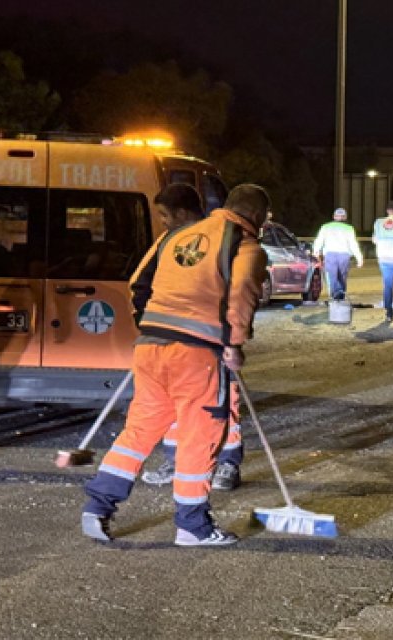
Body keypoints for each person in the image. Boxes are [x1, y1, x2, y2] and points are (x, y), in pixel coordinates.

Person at [82, 184, 269, 547]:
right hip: (198, 355)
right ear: (258, 217)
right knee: (200, 435)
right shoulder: (245, 246)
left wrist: (153, 326)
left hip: (151, 348)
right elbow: (243, 289)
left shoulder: (175, 236)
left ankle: (97, 506)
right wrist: (234, 343)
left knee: (139, 431)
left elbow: (138, 282)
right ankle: (192, 527)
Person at [140, 184, 246, 492]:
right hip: (186, 341)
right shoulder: (220, 237)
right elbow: (141, 284)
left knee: (224, 403)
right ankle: (184, 462)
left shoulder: (201, 239)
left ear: (183, 213)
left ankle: (225, 464)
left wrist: (232, 338)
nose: (163, 222)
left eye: (164, 215)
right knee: (186, 403)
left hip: (211, 341)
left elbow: (139, 285)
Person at [312, 207, 364, 300]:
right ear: (345, 217)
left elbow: (319, 240)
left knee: (332, 276)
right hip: (344, 255)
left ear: (334, 217)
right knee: (342, 277)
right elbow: (353, 244)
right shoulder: (349, 228)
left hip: (330, 255)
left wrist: (316, 251)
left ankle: (334, 295)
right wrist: (359, 258)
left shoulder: (325, 227)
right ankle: (341, 294)